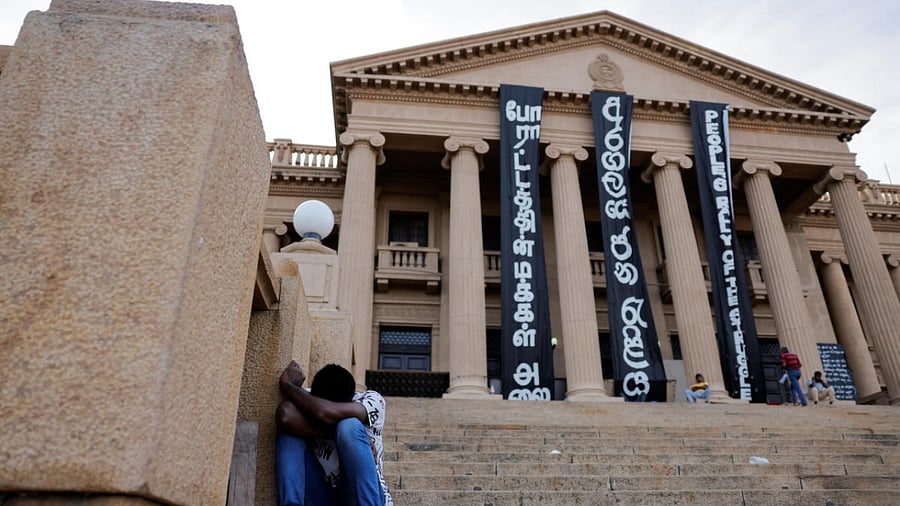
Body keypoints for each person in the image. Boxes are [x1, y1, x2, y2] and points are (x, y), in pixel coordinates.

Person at [275, 360, 393, 506]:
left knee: (349, 425)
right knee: (290, 431)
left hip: (358, 496)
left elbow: (326, 413)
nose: (323, 415)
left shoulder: (371, 399)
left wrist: (288, 386)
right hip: (322, 495)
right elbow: (285, 415)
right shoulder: (311, 399)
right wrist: (332, 434)